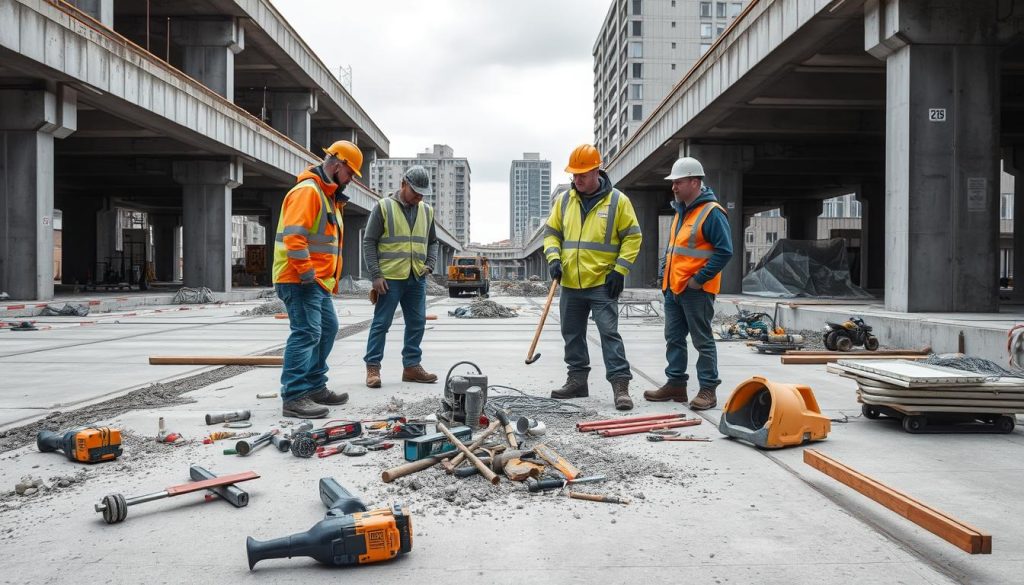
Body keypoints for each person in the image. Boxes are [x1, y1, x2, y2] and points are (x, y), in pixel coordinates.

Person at [543, 144, 643, 411]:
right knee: (572, 333)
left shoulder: (618, 201)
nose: (577, 180)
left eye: (582, 175)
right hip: (571, 283)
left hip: (602, 282)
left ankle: (620, 386)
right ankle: (577, 381)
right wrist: (554, 258)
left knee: (609, 333)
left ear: (597, 170)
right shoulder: (565, 201)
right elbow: (552, 233)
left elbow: (633, 237)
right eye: (574, 175)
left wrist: (620, 270)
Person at [273, 140, 362, 418]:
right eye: (350, 174)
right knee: (307, 332)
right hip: (299, 279)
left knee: (327, 328)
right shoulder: (308, 191)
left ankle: (314, 386)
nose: (350, 181)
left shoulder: (327, 195)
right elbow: (294, 237)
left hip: (316, 281)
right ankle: (295, 395)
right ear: (337, 165)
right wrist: (307, 274)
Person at [644, 156, 733, 410]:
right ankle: (676, 385)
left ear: (695, 182)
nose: (673, 187)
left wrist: (698, 280)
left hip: (696, 291)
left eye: (678, 182)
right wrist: (665, 277)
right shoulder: (681, 211)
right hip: (674, 289)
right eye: (673, 182)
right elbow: (675, 250)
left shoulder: (712, 213)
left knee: (702, 340)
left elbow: (724, 251)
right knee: (673, 338)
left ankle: (708, 390)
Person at [362, 165, 439, 388]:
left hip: (417, 276)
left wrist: (430, 264)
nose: (419, 197)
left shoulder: (427, 210)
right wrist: (375, 275)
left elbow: (432, 241)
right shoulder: (384, 207)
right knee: (381, 323)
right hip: (390, 278)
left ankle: (412, 366)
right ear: (403, 184)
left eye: (423, 193)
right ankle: (373, 367)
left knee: (417, 323)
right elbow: (369, 241)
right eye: (415, 192)